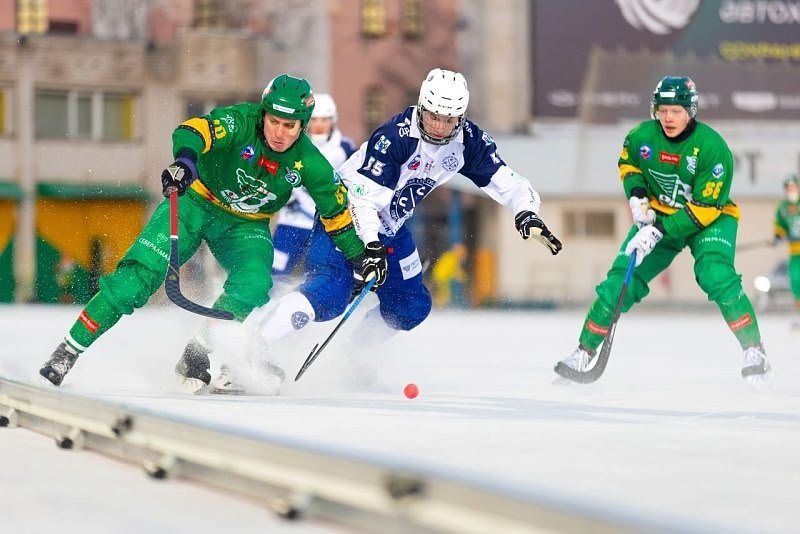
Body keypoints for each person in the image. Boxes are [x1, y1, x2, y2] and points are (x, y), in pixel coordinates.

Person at [216, 67, 562, 393]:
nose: (440, 127)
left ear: (461, 117)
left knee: (411, 305)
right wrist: (370, 247)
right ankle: (244, 354)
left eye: (449, 119)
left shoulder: (467, 140)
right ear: (421, 106)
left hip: (392, 227)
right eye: (433, 116)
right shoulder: (394, 138)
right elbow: (365, 202)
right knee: (330, 294)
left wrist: (527, 213)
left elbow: (505, 180)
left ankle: (353, 359)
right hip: (346, 220)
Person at [39, 74, 377, 391]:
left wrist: (358, 257)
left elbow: (336, 215)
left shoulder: (311, 163)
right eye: (273, 121)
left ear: (303, 125)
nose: (279, 133)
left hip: (247, 224)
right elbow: (193, 130)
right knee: (138, 278)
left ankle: (197, 350)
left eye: (290, 126)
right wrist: (185, 162)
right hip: (196, 201)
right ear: (263, 114)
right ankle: (68, 349)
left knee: (255, 282)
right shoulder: (240, 120)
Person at [555, 76, 771, 385]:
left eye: (676, 110)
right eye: (663, 110)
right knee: (619, 283)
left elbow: (705, 208)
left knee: (715, 275)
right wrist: (638, 198)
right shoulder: (641, 137)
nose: (668, 117)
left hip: (710, 218)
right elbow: (628, 164)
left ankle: (755, 350)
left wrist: (657, 230)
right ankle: (582, 353)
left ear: (691, 111)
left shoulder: (713, 149)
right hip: (659, 215)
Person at [271, 93, 358, 277]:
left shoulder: (345, 148)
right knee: (275, 272)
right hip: (292, 221)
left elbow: (354, 182)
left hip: (324, 226)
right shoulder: (290, 142)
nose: (319, 125)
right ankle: (263, 305)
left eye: (324, 120)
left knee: (317, 274)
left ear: (333, 120)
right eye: (315, 119)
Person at [772, 173, 800, 328]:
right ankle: (798, 313)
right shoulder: (783, 208)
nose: (791, 190)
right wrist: (778, 235)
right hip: (795, 251)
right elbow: (780, 224)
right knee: (796, 282)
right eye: (788, 188)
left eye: (793, 187)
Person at [432, 242, 468, 308]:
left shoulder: (449, 256)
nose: (462, 257)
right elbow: (455, 270)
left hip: (440, 275)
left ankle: (439, 304)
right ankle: (439, 305)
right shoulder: (452, 258)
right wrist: (462, 277)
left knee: (443, 292)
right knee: (445, 293)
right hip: (442, 277)